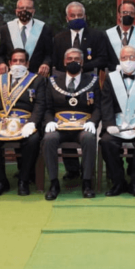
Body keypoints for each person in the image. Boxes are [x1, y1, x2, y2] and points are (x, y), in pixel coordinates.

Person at [0, 48, 46, 197]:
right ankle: (0, 181)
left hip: (25, 122)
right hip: (1, 122)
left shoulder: (37, 80)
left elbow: (40, 104)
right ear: (9, 63)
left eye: (21, 61)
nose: (18, 64)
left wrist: (33, 123)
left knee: (33, 140)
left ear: (28, 64)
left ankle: (24, 180)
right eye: (15, 61)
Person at [42, 48, 101, 200]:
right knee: (49, 139)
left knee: (88, 138)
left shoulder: (92, 80)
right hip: (60, 126)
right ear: (64, 62)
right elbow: (47, 107)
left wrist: (93, 122)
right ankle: (54, 183)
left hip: (83, 125)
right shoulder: (53, 81)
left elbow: (98, 107)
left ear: (82, 62)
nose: (72, 62)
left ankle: (87, 182)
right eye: (69, 59)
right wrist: (49, 122)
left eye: (76, 59)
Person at [99, 45, 135, 197]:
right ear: (120, 60)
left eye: (132, 57)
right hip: (117, 124)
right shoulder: (111, 79)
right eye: (124, 58)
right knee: (106, 141)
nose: (128, 61)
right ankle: (118, 182)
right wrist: (109, 125)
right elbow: (106, 104)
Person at [0, 0, 53, 77]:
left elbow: (49, 54)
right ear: (16, 11)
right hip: (12, 75)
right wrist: (1, 63)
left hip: (36, 76)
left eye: (28, 8)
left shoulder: (44, 29)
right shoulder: (6, 29)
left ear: (33, 11)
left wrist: (46, 64)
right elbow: (0, 54)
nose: (24, 11)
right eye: (21, 8)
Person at [52, 1, 109, 74]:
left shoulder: (97, 35)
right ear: (67, 18)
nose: (76, 18)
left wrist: (82, 67)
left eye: (79, 15)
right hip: (65, 78)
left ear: (84, 17)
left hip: (89, 76)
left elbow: (102, 59)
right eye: (72, 16)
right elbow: (56, 61)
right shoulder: (59, 38)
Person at [104, 0, 135, 73]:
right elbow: (104, 58)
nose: (128, 15)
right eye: (124, 12)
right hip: (114, 74)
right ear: (119, 15)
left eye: (131, 13)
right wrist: (116, 68)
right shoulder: (107, 34)